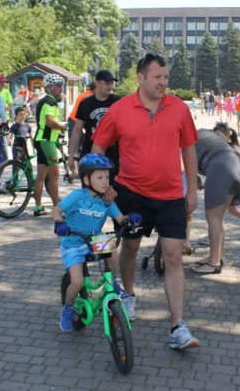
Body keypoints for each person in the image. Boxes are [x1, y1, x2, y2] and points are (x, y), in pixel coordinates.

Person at [91, 52, 200, 350]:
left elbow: (189, 149)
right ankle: (127, 293)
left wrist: (191, 191)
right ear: (140, 78)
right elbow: (99, 145)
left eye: (166, 77)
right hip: (131, 193)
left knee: (174, 256)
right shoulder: (120, 109)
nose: (164, 83)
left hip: (171, 196)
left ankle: (178, 326)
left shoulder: (178, 108)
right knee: (130, 247)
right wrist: (103, 185)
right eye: (157, 77)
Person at [54, 154, 141, 332]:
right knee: (77, 283)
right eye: (99, 178)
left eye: (107, 177)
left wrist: (130, 220)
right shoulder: (78, 196)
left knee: (113, 248)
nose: (104, 182)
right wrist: (60, 222)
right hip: (73, 243)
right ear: (86, 179)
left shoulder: (107, 201)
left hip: (94, 240)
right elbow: (56, 211)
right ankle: (68, 309)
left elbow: (120, 218)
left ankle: (114, 283)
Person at [191, 123, 240, 276]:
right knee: (218, 218)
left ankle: (213, 264)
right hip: (234, 166)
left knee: (213, 218)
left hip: (220, 168)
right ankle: (216, 257)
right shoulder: (206, 134)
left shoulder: (188, 138)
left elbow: (187, 164)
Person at [68, 71, 120, 177]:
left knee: (111, 190)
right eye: (107, 83)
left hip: (113, 153)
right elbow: (77, 131)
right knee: (90, 188)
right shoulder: (85, 103)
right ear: (97, 83)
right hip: (90, 151)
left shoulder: (118, 101)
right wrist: (71, 156)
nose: (110, 86)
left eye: (111, 83)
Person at [33, 74, 67, 216]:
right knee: (54, 176)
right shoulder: (50, 102)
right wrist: (63, 127)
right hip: (47, 142)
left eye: (61, 85)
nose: (61, 88)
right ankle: (57, 209)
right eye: (58, 86)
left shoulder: (46, 100)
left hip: (41, 140)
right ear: (50, 87)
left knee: (41, 176)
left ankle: (38, 207)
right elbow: (50, 122)